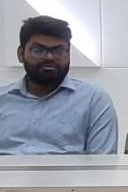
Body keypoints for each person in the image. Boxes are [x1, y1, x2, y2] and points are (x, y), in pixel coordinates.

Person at [0, 16, 118, 154]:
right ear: (21, 54)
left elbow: (103, 162)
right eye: (38, 51)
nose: (49, 57)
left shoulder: (94, 100)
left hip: (71, 169)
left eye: (58, 51)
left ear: (69, 55)